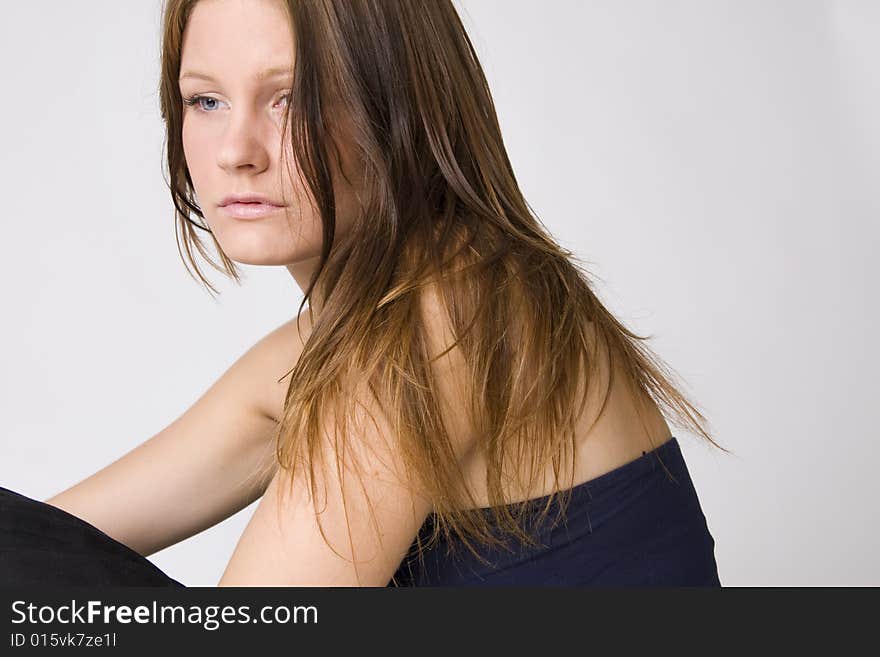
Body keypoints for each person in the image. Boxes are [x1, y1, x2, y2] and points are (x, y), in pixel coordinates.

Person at [9, 0, 727, 587]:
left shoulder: (446, 323)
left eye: (289, 98)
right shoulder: (335, 347)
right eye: (205, 100)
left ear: (400, 106)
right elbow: (38, 547)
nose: (236, 151)